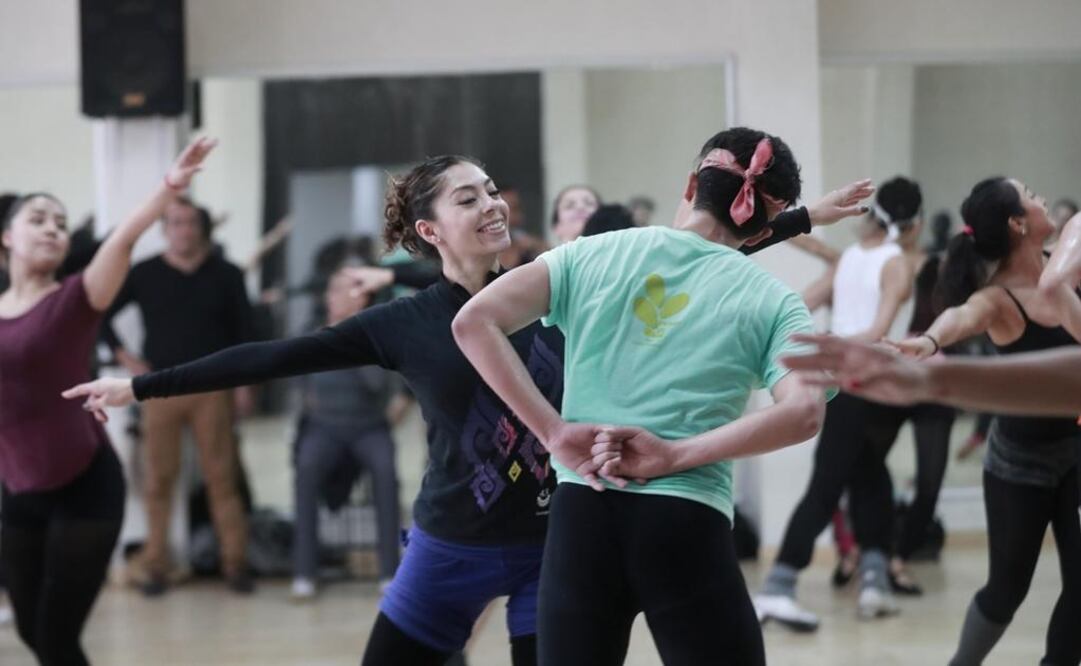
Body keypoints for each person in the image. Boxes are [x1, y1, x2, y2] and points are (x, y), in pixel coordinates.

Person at [65, 150, 873, 665]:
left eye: (492, 190)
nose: (491, 204)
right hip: (449, 542)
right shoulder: (408, 324)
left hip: (551, 543)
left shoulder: (568, 282)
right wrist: (140, 385)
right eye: (466, 198)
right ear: (429, 227)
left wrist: (788, 217)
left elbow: (684, 267)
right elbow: (279, 356)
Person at [453, 127, 831, 666]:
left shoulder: (591, 254)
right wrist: (676, 455)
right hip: (686, 523)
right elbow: (804, 412)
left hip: (584, 514)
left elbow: (473, 323)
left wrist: (555, 434)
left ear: (692, 184)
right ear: (765, 221)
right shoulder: (774, 302)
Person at [0, 137, 215, 666]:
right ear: (6, 237)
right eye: (38, 219)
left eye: (59, 220)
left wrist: (170, 187)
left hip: (86, 486)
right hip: (18, 489)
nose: (53, 227)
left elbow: (123, 237)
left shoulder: (76, 298)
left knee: (55, 638)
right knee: (30, 629)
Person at [889, 177, 1080, 666]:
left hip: (1076, 451)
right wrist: (928, 342)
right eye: (1032, 196)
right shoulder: (999, 298)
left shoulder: (1066, 269)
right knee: (1007, 590)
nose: (1042, 198)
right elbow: (961, 318)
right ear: (1019, 223)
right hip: (1020, 462)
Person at [756, 178, 915, 629]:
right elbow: (881, 329)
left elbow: (804, 303)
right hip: (866, 382)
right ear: (914, 223)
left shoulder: (849, 261)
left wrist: (825, 343)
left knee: (863, 479)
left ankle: (870, 581)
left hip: (862, 385)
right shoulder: (896, 262)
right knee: (850, 479)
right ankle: (787, 585)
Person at [100, 197, 257, 596]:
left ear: (201, 227)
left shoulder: (227, 274)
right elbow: (100, 312)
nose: (182, 230)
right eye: (174, 223)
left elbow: (248, 335)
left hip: (213, 388)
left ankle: (235, 563)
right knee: (158, 480)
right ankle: (156, 565)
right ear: (165, 229)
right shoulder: (145, 273)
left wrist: (245, 387)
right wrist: (126, 358)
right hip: (160, 388)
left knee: (222, 477)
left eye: (189, 223)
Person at [290, 269, 408, 601]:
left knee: (386, 475)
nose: (336, 297)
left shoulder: (372, 334)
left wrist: (352, 336)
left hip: (368, 427)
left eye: (346, 291)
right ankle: (304, 571)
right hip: (323, 426)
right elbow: (294, 372)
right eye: (334, 290)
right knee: (306, 471)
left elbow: (376, 385)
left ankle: (389, 571)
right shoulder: (312, 332)